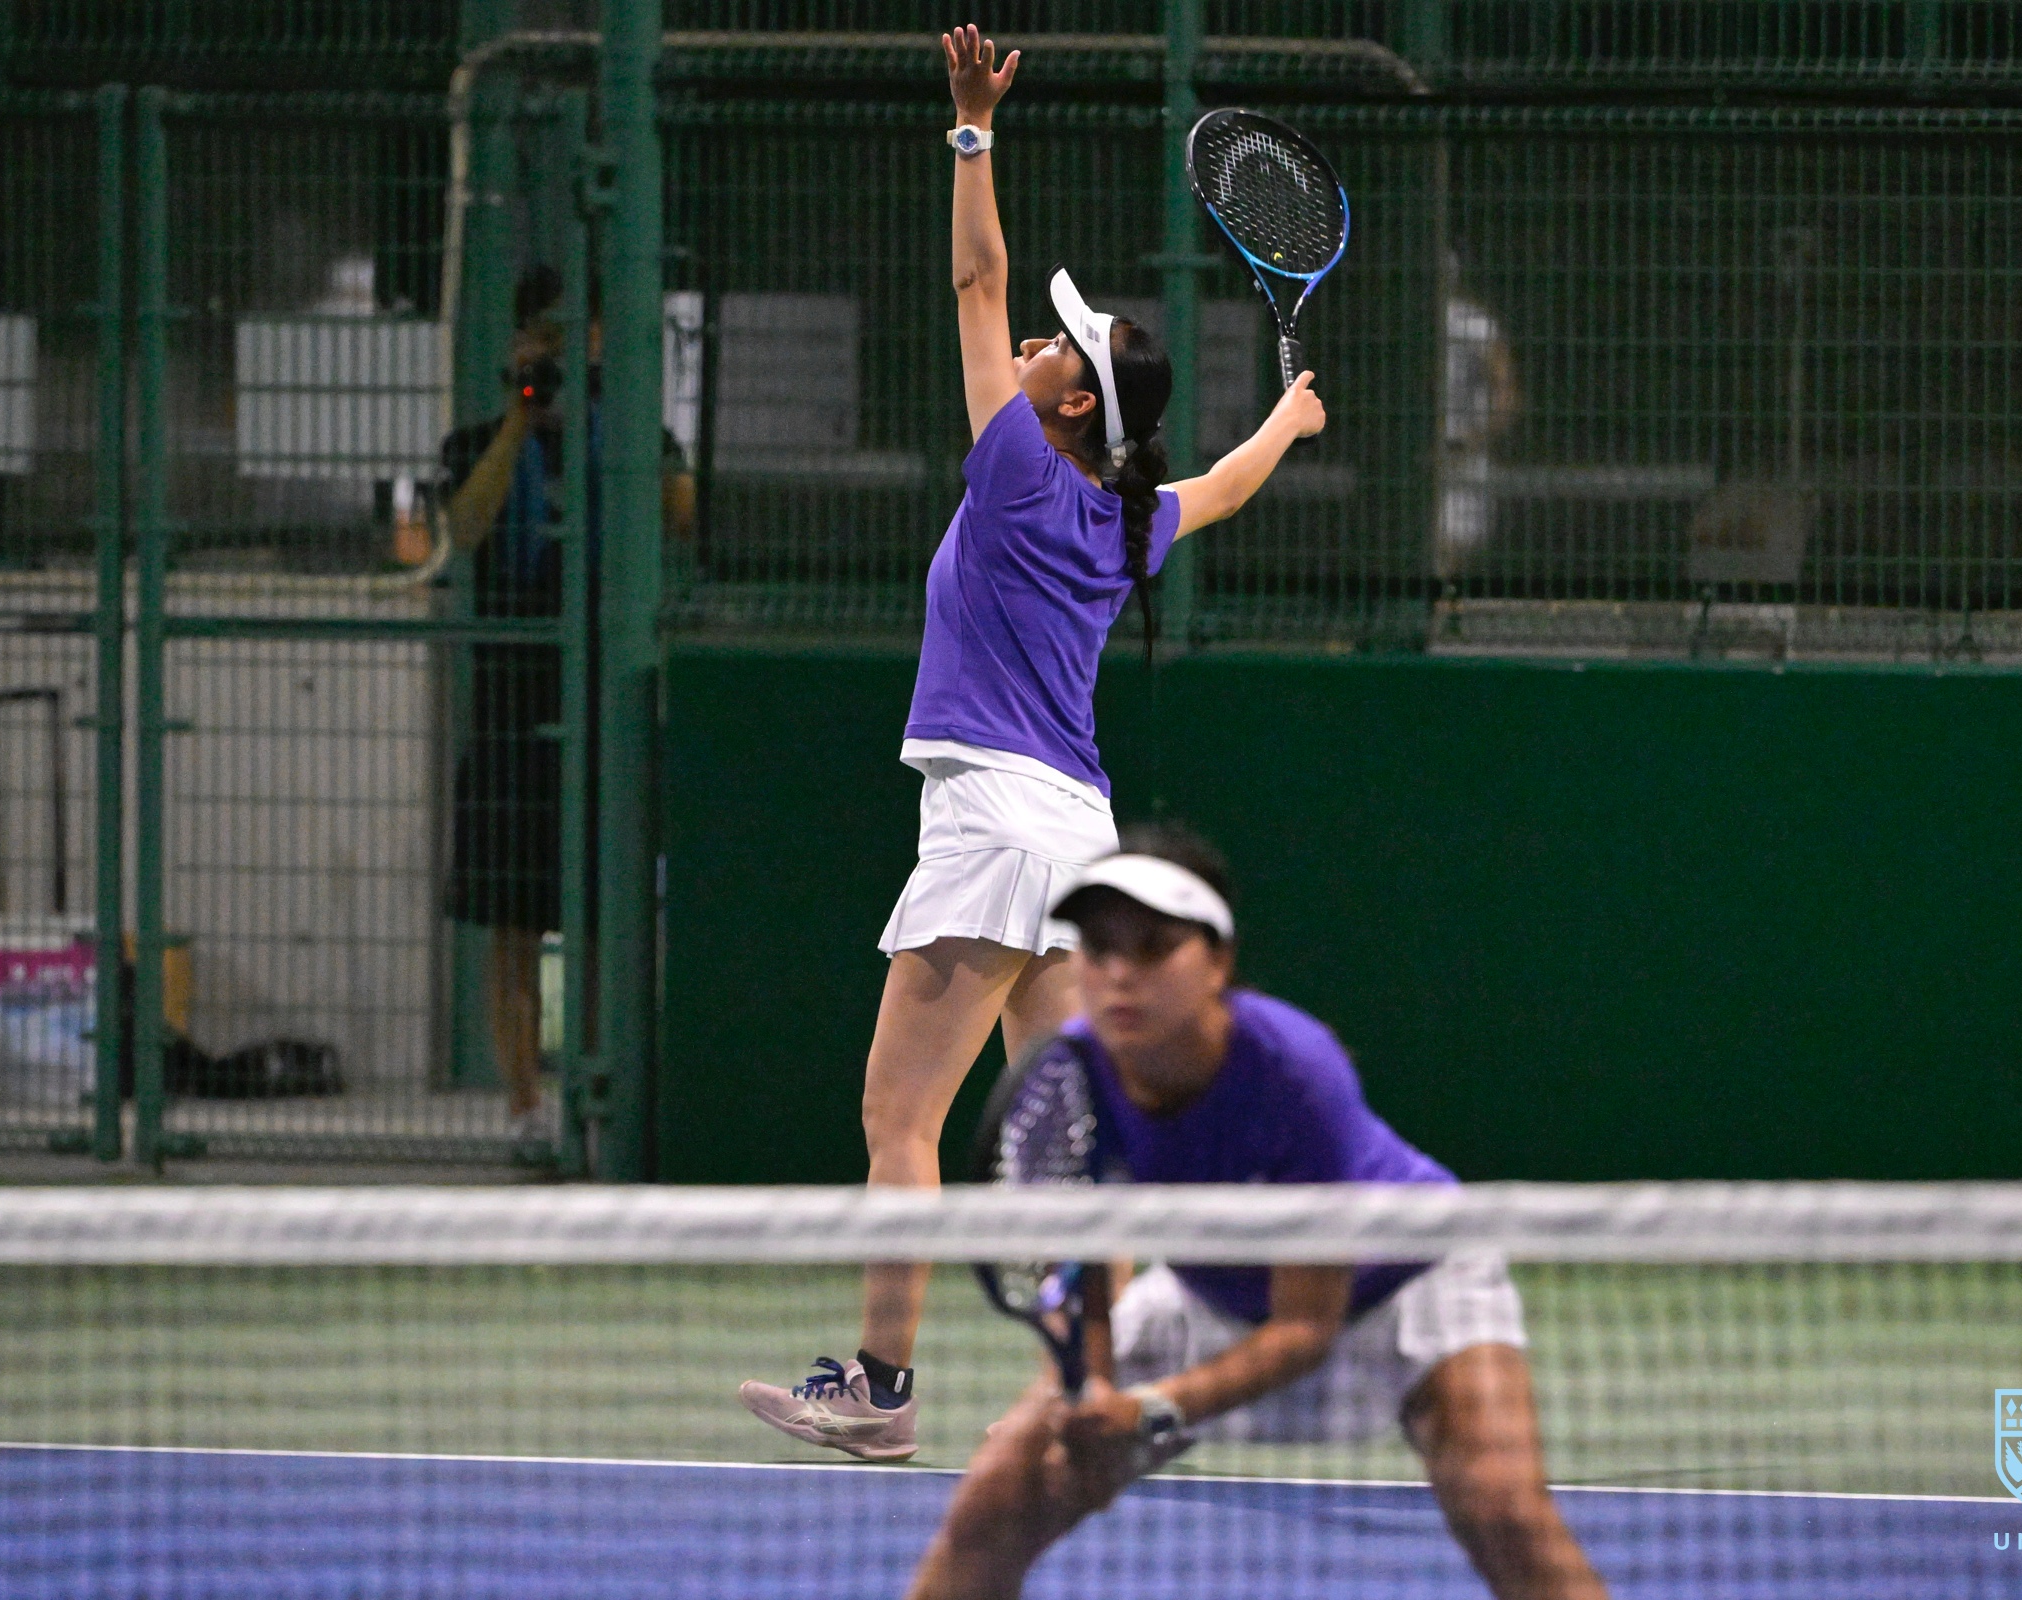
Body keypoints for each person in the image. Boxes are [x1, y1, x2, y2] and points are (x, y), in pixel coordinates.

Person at [738, 25, 1325, 1462]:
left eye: (1062, 347)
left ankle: (880, 1391)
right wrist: (1291, 420)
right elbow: (1222, 483)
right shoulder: (1129, 520)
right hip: (1078, 845)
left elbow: (974, 278)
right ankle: (1102, 1387)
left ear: (1067, 408)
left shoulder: (1016, 467)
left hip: (994, 826)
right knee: (1065, 1148)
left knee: (900, 1120)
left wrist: (971, 129)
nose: (1038, 338)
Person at [904, 826, 1612, 1600]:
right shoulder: (1072, 1073)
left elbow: (1304, 1328)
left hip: (1410, 1280)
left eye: (1153, 948)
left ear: (1218, 962)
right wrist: (1092, 1390)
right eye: (1099, 949)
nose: (1119, 975)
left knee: (1504, 1513)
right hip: (1210, 1289)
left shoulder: (1293, 1070)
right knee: (993, 1505)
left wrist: (1145, 1411)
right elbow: (1083, 1268)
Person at [440, 266, 691, 1146]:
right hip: (511, 708)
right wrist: (522, 415)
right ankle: (523, 1106)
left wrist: (629, 422)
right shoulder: (477, 441)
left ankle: (595, 1092)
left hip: (604, 710)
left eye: (572, 334)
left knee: (600, 915)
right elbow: (464, 528)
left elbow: (681, 518)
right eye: (540, 335)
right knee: (510, 920)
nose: (557, 351)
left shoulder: (631, 440)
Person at [1436, 249, 1520, 582]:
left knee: (1456, 541)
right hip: (1418, 454)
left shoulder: (1472, 323)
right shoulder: (1404, 323)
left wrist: (1477, 436)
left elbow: (1505, 389)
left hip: (1462, 453)